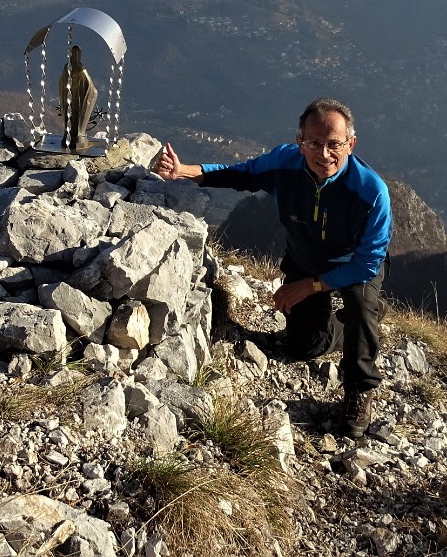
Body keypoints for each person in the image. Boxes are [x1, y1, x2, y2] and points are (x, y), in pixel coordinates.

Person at [155, 97, 391, 438]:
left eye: (333, 144)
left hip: (353, 265)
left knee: (361, 305)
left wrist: (308, 287)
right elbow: (242, 174)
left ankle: (360, 389)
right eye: (313, 143)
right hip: (306, 259)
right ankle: (347, 328)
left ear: (350, 145)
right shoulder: (286, 164)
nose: (323, 154)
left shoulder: (371, 193)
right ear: (300, 143)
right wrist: (185, 172)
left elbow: (369, 262)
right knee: (303, 347)